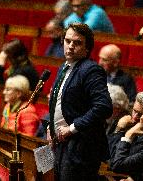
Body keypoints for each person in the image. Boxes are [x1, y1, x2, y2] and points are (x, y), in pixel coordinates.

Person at [48, 22, 113, 180]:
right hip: (61, 144)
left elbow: (103, 107)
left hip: (80, 148)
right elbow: (59, 102)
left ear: (87, 48)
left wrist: (72, 128)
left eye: (77, 43)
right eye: (67, 41)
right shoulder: (64, 67)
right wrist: (51, 126)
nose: (70, 46)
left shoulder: (91, 70)